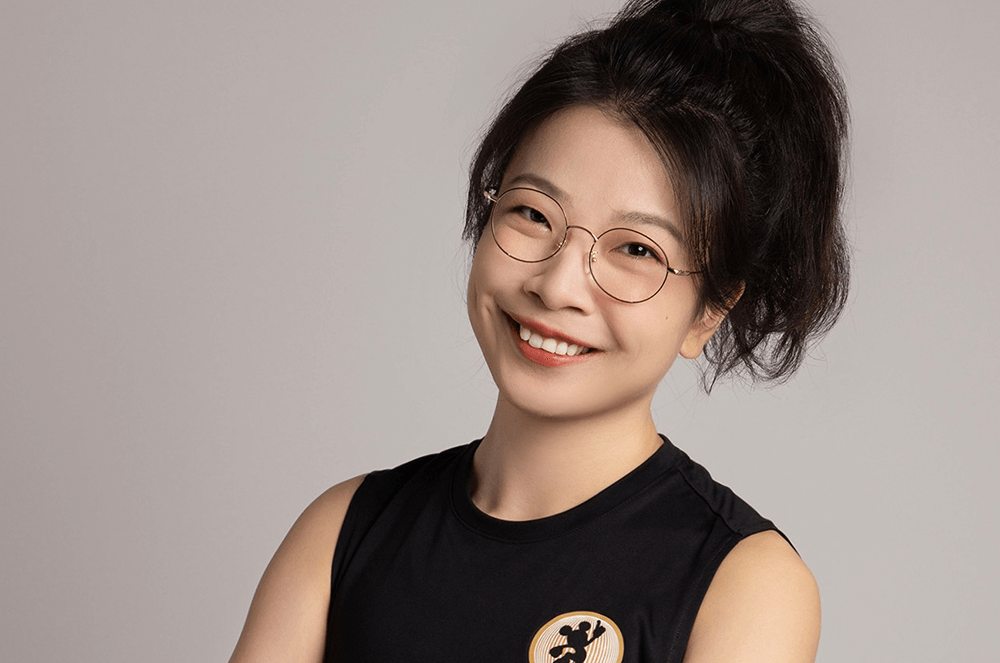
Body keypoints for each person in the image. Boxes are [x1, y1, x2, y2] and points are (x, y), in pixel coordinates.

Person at [228, 0, 849, 661]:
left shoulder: (744, 583)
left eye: (635, 249)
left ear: (709, 311)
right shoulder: (342, 531)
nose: (556, 285)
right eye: (532, 213)